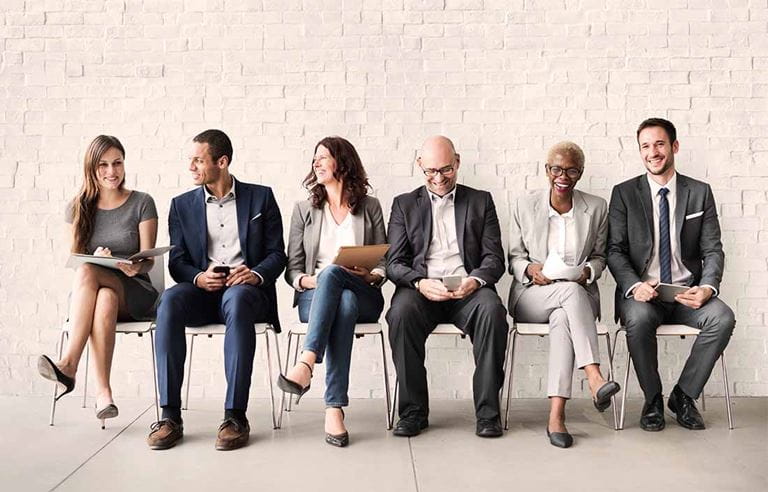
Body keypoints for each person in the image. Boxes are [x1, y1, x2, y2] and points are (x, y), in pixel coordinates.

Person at [148, 129, 286, 451]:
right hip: (203, 291)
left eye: (198, 160)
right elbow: (177, 261)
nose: (192, 167)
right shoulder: (181, 205)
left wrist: (254, 274)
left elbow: (277, 254)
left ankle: (235, 416)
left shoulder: (261, 197)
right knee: (168, 300)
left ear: (221, 162)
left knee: (237, 300)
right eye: (191, 160)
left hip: (245, 292)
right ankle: (169, 416)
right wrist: (198, 277)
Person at [607, 118, 735, 432]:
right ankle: (652, 399)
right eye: (646, 146)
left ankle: (683, 396)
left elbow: (713, 249)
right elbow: (614, 250)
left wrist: (707, 287)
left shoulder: (699, 192)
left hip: (686, 293)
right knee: (637, 320)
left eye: (660, 144)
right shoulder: (624, 193)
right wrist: (634, 285)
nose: (653, 152)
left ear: (674, 147)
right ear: (640, 152)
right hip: (644, 295)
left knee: (723, 318)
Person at [386, 135, 508, 438]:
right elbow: (394, 262)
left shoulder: (481, 200)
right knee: (399, 314)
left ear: (457, 162)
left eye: (446, 170)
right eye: (430, 171)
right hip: (422, 290)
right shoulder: (403, 204)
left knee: (493, 312)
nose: (438, 178)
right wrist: (419, 282)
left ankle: (488, 414)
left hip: (468, 289)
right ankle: (413, 413)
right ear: (419, 165)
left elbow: (494, 259)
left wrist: (475, 280)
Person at [38, 135, 159, 428]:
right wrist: (94, 256)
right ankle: (104, 394)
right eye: (103, 165)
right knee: (103, 296)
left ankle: (68, 364)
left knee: (90, 274)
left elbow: (149, 260)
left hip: (135, 291)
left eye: (117, 163)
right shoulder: (78, 207)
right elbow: (75, 261)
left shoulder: (142, 202)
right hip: (94, 296)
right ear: (91, 168)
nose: (111, 171)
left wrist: (134, 266)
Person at [508, 141, 621, 448]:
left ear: (580, 173)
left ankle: (556, 416)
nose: (563, 175)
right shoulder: (524, 204)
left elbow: (600, 257)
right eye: (556, 168)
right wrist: (531, 269)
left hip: (574, 299)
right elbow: (514, 258)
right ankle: (595, 377)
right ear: (547, 170)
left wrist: (587, 272)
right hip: (532, 295)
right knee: (569, 294)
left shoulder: (596, 208)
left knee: (563, 318)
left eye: (571, 170)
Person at [278, 136, 387, 447]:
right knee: (342, 299)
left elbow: (385, 261)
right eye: (315, 158)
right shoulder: (304, 210)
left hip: (363, 288)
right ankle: (334, 408)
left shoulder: (370, 207)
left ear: (343, 162)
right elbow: (293, 269)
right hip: (316, 296)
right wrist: (309, 280)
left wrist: (372, 273)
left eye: (324, 157)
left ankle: (306, 363)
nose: (316, 163)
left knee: (341, 282)